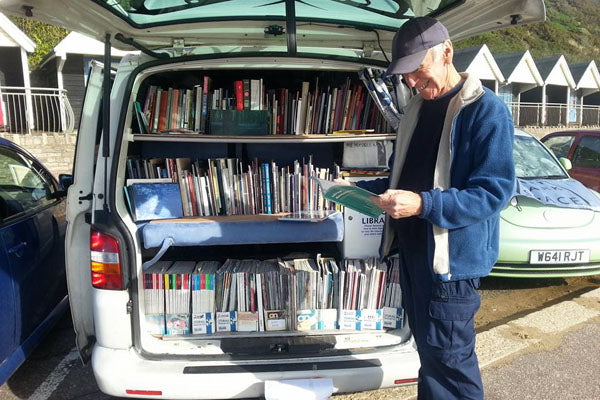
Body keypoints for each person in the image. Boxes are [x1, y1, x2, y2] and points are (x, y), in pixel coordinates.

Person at [336, 16, 515, 399]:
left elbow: (493, 192)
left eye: (418, 71)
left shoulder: (485, 111)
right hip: (413, 256)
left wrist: (423, 203)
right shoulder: (415, 111)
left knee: (451, 367)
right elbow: (401, 180)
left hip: (449, 266)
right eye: (406, 76)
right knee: (432, 361)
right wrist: (351, 189)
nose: (413, 83)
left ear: (447, 52)